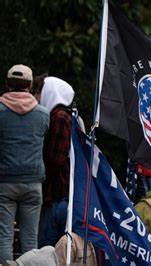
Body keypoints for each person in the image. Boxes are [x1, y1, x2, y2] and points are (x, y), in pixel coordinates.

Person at [0, 65, 49, 260]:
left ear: (7, 84)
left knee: (4, 237)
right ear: (30, 85)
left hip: (4, 182)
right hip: (33, 182)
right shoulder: (43, 114)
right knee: (30, 239)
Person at [36, 76, 75, 247]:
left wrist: (40, 177)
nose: (36, 97)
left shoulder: (59, 117)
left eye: (38, 92)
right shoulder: (66, 115)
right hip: (61, 194)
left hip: (56, 194)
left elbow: (55, 158)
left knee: (47, 247)